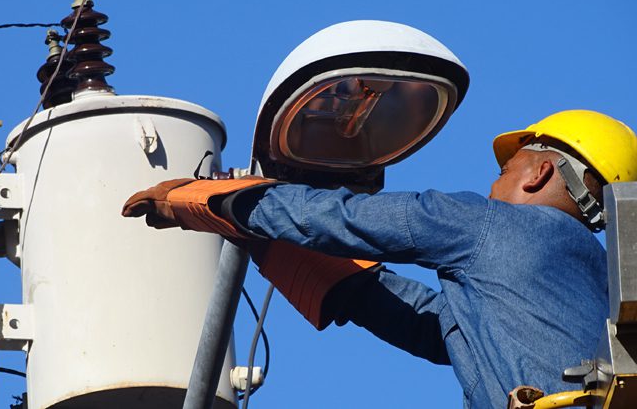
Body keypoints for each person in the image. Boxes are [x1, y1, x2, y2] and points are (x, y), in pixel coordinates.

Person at [123, 109, 637, 409]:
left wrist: (202, 200)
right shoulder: (591, 285)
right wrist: (281, 250)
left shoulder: (492, 224)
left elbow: (347, 220)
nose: (493, 182)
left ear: (539, 174)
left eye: (508, 169)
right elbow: (433, 328)